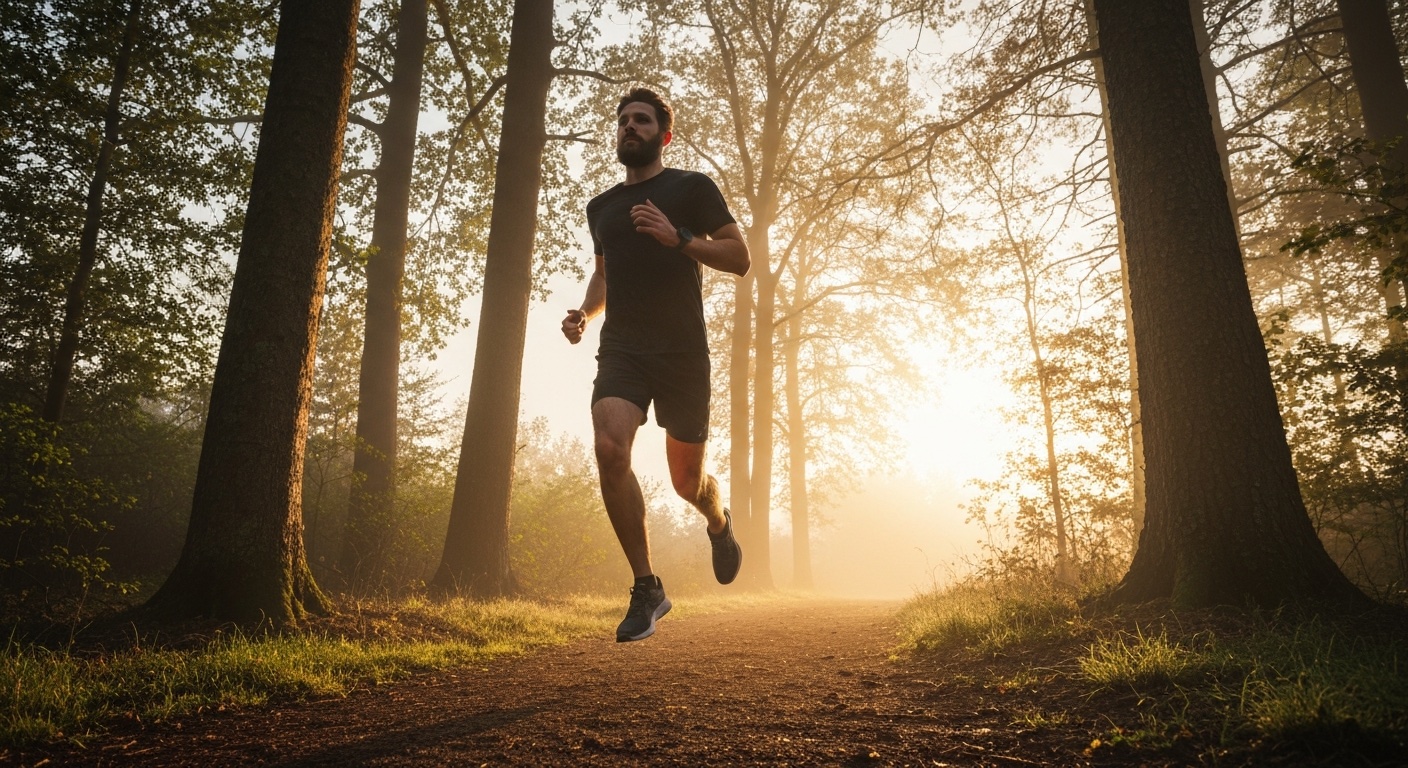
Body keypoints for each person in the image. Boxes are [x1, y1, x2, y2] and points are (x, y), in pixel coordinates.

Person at [562, 88, 750, 642]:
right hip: (622, 349)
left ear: (663, 135)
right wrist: (585, 314)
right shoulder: (602, 208)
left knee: (685, 482)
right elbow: (604, 276)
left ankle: (719, 522)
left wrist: (680, 237)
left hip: (682, 353)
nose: (629, 127)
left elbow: (739, 257)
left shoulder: (690, 188)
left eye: (641, 120)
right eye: (623, 121)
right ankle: (648, 588)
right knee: (609, 446)